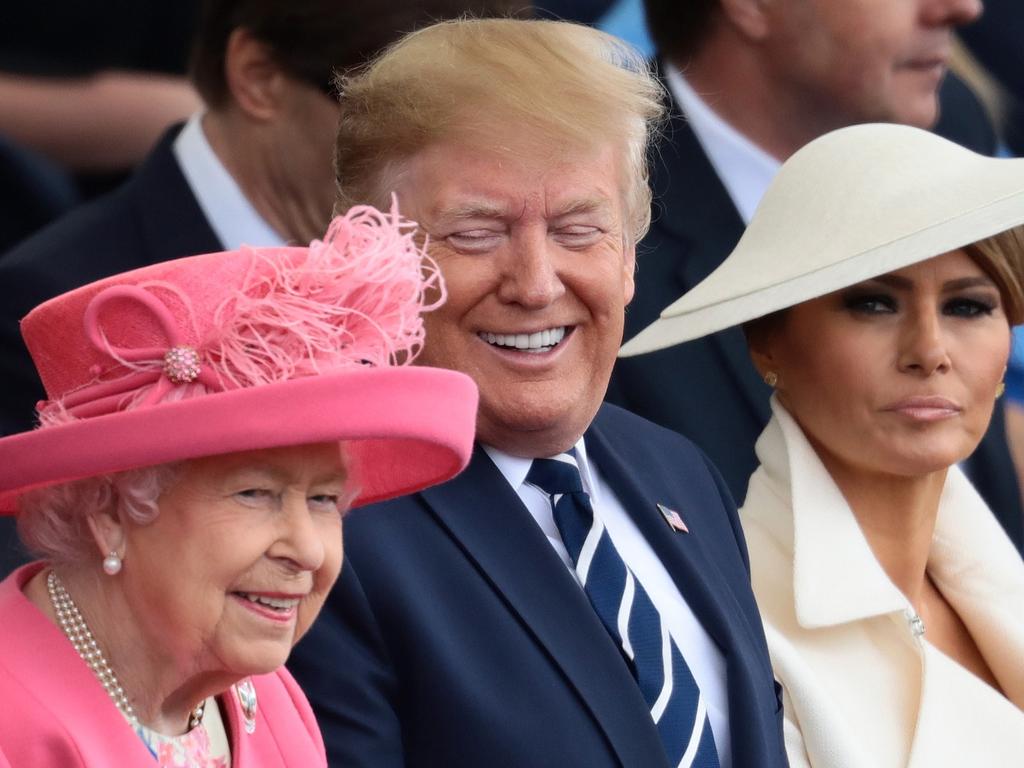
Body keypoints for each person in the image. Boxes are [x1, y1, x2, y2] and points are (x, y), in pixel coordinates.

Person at [289, 18, 787, 768]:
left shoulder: (680, 474)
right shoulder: (327, 529)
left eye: (578, 229)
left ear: (628, 257)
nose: (536, 284)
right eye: (477, 232)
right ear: (373, 257)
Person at [0, 0, 526, 576]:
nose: (444, 166)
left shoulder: (491, 269)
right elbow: (52, 588)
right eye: (391, 125)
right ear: (259, 77)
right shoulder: (51, 301)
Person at [0, 203, 478, 766]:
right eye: (256, 493)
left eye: (324, 499)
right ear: (108, 511)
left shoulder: (261, 695)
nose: (307, 550)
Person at [621, 123, 1024, 766]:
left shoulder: (998, 582)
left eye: (969, 307)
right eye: (872, 304)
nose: (929, 351)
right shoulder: (726, 628)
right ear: (766, 342)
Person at [605, 0, 1024, 553]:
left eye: (966, 306)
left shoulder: (946, 121)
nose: (963, 8)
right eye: (872, 303)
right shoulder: (598, 228)